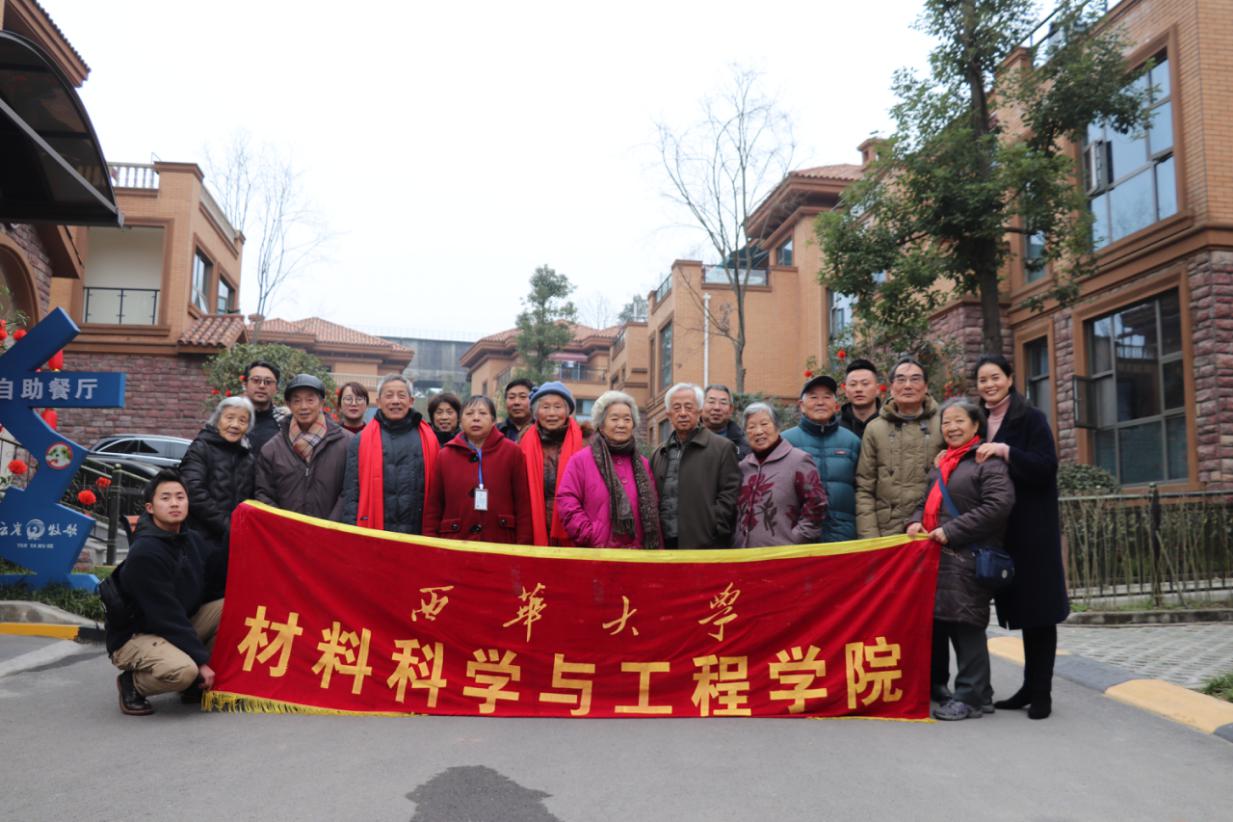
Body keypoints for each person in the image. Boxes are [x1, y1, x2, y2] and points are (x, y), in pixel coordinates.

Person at [975, 353, 1070, 720]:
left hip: (1033, 530)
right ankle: (1028, 687)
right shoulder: (978, 420)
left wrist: (1005, 451)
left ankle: (1041, 691)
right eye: (983, 380)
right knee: (1019, 608)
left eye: (995, 377)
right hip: (1000, 531)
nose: (989, 384)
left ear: (1010, 378)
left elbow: (1046, 467)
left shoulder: (1031, 418)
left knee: (1039, 611)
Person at [908, 398, 1015, 721]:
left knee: (967, 625)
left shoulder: (987, 461)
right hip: (941, 556)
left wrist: (951, 530)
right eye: (946, 422)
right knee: (952, 622)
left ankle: (969, 697)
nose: (952, 428)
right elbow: (928, 501)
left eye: (959, 421)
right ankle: (982, 694)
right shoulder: (945, 461)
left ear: (975, 425)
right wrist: (914, 522)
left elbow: (998, 505)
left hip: (969, 555)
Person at [107, 469, 224, 716]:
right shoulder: (145, 552)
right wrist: (201, 662)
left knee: (230, 607)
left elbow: (216, 582)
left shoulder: (191, 540)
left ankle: (193, 686)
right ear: (150, 508)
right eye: (166, 498)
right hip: (135, 635)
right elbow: (165, 615)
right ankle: (132, 683)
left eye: (180, 497)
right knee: (183, 671)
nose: (174, 503)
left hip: (170, 625)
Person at [556, 391, 661, 549]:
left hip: (638, 554)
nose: (621, 424)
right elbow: (567, 500)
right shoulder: (581, 461)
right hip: (597, 552)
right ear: (601, 424)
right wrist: (588, 535)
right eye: (614, 419)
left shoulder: (643, 464)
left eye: (627, 419)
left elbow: (653, 506)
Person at [337, 375, 440, 534]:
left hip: (418, 533)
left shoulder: (429, 439)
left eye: (401, 395)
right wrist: (352, 532)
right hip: (376, 532)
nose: (395, 401)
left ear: (411, 401)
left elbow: (438, 494)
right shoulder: (362, 440)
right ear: (378, 402)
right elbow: (352, 495)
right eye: (389, 395)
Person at [855, 356, 944, 539]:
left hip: (933, 530)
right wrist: (871, 539)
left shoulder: (944, 423)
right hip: (887, 532)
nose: (908, 385)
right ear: (891, 387)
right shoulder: (875, 428)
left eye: (915, 379)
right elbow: (865, 488)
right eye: (901, 379)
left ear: (926, 387)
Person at [423, 396, 533, 544]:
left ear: (493, 420)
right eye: (469, 414)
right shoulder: (445, 455)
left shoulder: (512, 452)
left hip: (501, 539)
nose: (476, 418)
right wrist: (430, 544)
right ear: (460, 421)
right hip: (456, 540)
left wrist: (523, 545)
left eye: (482, 413)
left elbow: (523, 504)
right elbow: (434, 507)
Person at [178, 395, 256, 592]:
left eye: (242, 420)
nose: (235, 425)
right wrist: (227, 525)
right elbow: (193, 491)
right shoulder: (201, 448)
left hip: (233, 543)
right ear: (217, 419)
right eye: (229, 417)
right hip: (200, 539)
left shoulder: (248, 457)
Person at [651, 383, 742, 549]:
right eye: (676, 408)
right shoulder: (659, 453)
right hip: (665, 546)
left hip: (705, 544)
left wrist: (713, 528)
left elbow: (730, 496)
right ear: (668, 414)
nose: (683, 413)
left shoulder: (722, 448)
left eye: (689, 407)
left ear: (699, 411)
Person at [254, 373, 351, 520]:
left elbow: (350, 491)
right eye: (297, 401)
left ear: (322, 403)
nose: (303, 406)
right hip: (286, 530)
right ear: (289, 405)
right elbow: (264, 494)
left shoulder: (347, 443)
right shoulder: (272, 449)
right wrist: (286, 525)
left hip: (332, 530)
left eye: (310, 400)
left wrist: (330, 526)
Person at [733, 403, 827, 548]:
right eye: (751, 427)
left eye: (764, 424)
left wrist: (796, 539)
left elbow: (817, 505)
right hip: (743, 554)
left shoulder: (798, 460)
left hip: (783, 554)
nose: (758, 431)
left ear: (777, 427)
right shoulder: (744, 466)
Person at [782, 374, 861, 541]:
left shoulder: (852, 441)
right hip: (799, 535)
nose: (820, 402)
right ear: (802, 406)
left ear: (836, 405)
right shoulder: (785, 442)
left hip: (843, 535)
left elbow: (863, 489)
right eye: (813, 397)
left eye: (826, 397)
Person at [520, 381, 585, 546]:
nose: (552, 413)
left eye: (558, 407)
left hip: (576, 527)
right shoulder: (523, 443)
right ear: (536, 412)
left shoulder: (585, 442)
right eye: (545, 407)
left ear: (567, 411)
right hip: (533, 525)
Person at [242, 360, 289, 454]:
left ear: (276, 389)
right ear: (245, 385)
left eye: (268, 382)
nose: (262, 386)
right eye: (256, 380)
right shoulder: (230, 419)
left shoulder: (286, 423)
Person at [702, 384, 751, 460]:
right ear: (701, 406)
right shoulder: (686, 437)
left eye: (723, 403)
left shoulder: (745, 445)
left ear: (731, 409)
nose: (717, 407)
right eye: (711, 402)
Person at [839, 358, 882, 439]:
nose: (858, 389)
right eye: (853, 384)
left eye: (865, 384)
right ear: (845, 391)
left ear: (877, 389)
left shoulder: (890, 425)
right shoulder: (835, 428)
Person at [496, 378, 535, 443]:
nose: (516, 402)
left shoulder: (543, 430)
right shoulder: (495, 432)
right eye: (511, 397)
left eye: (523, 397)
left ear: (533, 400)